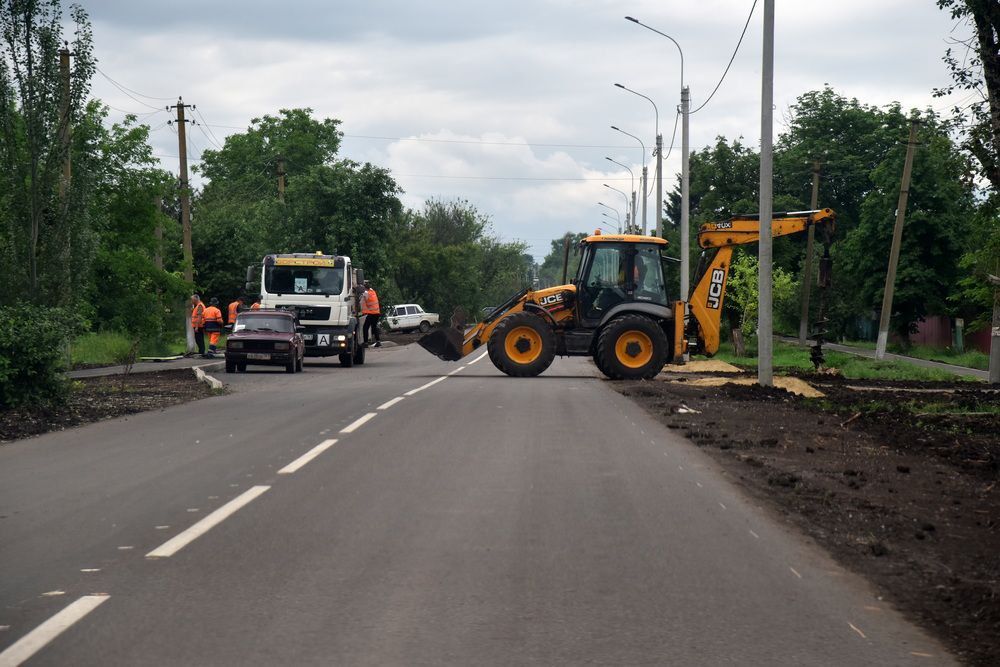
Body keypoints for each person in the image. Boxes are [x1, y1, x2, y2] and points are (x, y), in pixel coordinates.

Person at [361, 280, 382, 347]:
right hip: (377, 312)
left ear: (365, 288)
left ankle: (366, 343)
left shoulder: (366, 293)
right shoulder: (372, 291)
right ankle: (378, 341)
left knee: (365, 327)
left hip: (372, 313)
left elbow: (360, 294)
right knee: (374, 327)